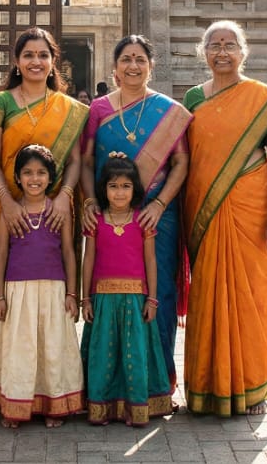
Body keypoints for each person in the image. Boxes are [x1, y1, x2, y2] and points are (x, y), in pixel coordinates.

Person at [181, 20, 267, 417]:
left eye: (230, 45)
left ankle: (251, 387)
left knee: (250, 298)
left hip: (252, 214)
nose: (221, 52)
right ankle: (205, 388)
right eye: (214, 45)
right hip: (204, 212)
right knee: (206, 296)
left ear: (243, 51)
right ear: (203, 52)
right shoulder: (194, 99)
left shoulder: (262, 100)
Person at [80, 35, 191, 391]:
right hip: (110, 219)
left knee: (157, 295)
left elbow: (180, 162)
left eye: (140, 59)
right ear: (114, 68)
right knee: (108, 294)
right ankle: (107, 385)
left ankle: (157, 385)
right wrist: (88, 203)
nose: (133, 66)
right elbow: (84, 161)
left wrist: (159, 204)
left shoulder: (168, 111)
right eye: (126, 59)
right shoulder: (98, 110)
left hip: (156, 217)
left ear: (151, 66)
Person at [0, 27, 88, 383]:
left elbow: (74, 161)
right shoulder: (1, 103)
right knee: (11, 297)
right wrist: (7, 203)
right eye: (28, 55)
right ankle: (9, 382)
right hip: (7, 208)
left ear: (53, 60)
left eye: (43, 55)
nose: (36, 62)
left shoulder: (70, 109)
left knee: (54, 299)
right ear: (16, 61)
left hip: (56, 210)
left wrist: (65, 197)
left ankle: (53, 385)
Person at [0, 144, 84, 428]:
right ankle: (15, 407)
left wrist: (72, 293)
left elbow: (68, 253)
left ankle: (54, 406)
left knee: (51, 349)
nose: (34, 178)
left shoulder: (59, 211)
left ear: (51, 178)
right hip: (18, 293)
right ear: (17, 177)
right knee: (20, 350)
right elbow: (0, 253)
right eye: (27, 172)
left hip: (53, 293)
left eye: (41, 172)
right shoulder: (10, 212)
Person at [81, 152, 173, 426]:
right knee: (104, 355)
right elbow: (88, 260)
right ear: (103, 189)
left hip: (135, 300)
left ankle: (136, 409)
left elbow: (151, 261)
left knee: (133, 354)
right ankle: (102, 408)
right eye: (113, 186)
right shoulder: (95, 221)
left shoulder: (142, 221)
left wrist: (152, 299)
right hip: (103, 301)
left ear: (135, 189)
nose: (119, 193)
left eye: (125, 186)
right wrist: (85, 298)